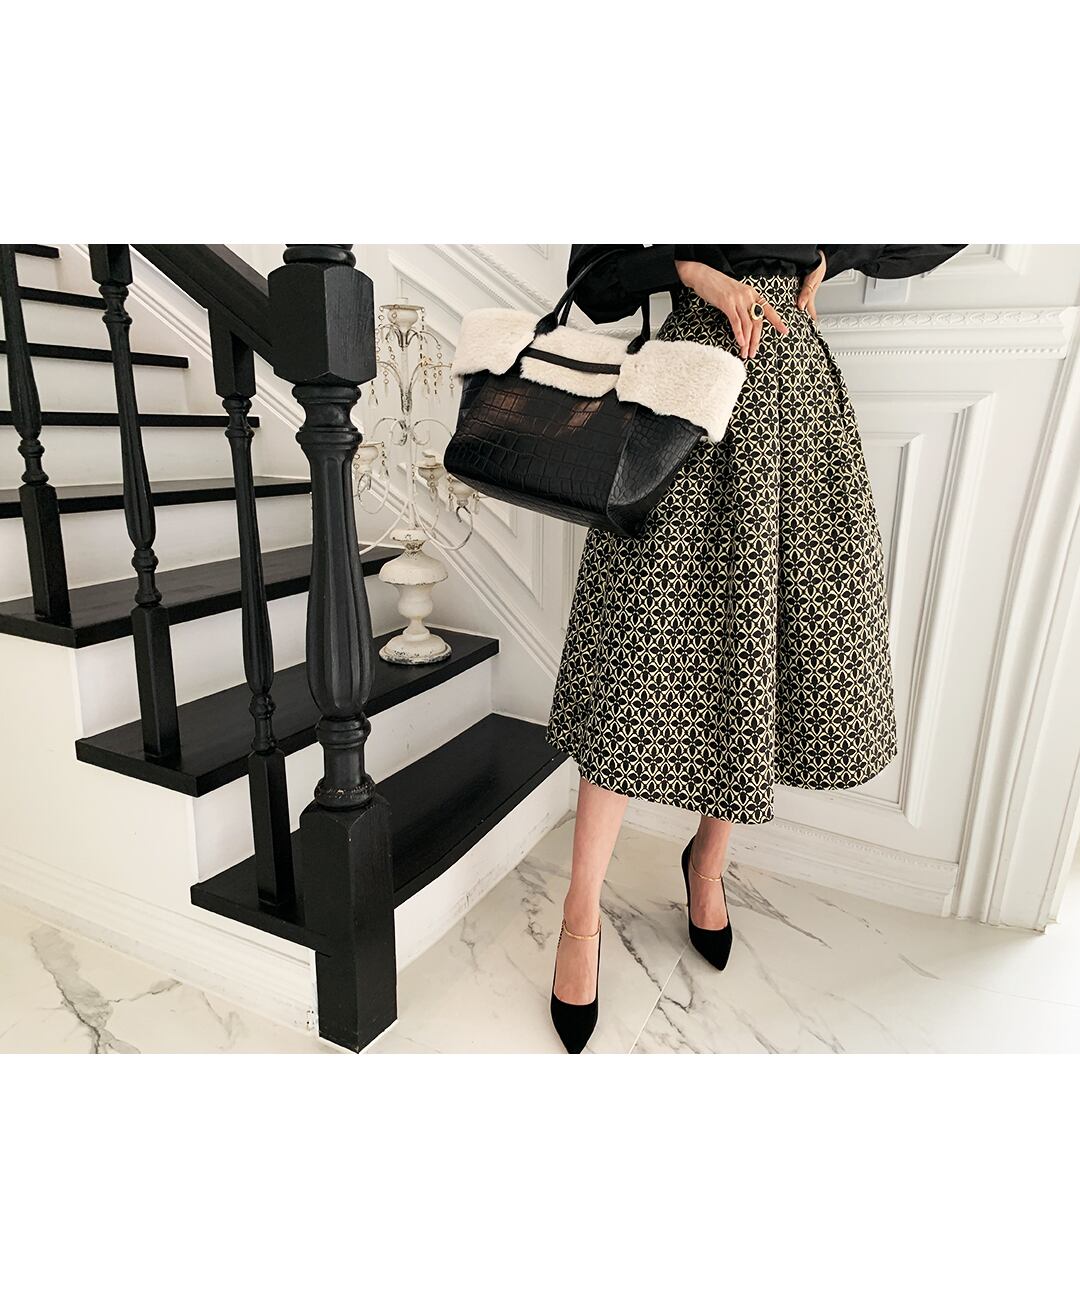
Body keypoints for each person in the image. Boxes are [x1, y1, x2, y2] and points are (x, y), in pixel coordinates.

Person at [544, 243, 965, 1053]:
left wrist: (831, 253)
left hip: (795, 400)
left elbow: (923, 233)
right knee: (635, 654)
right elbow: (594, 277)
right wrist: (691, 272)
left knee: (762, 641)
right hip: (687, 386)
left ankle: (708, 862)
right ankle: (579, 914)